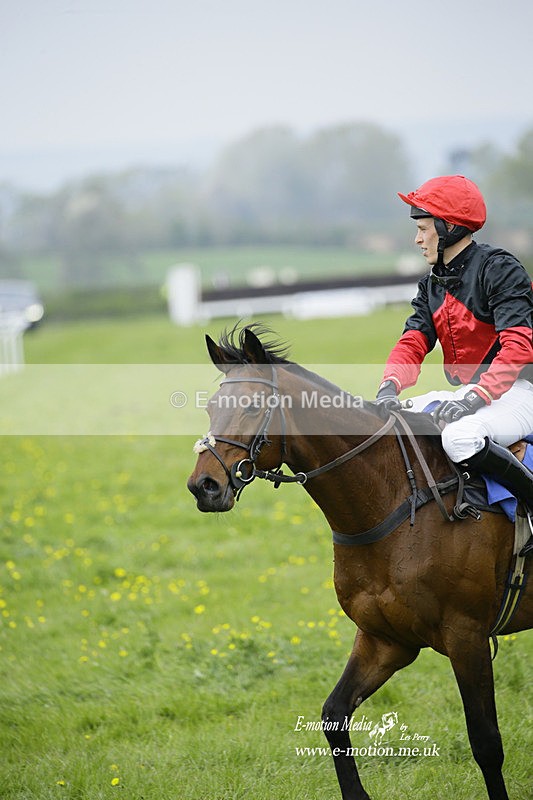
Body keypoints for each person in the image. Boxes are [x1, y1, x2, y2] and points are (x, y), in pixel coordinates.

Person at [376, 174, 533, 555]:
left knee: (459, 437)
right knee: (395, 422)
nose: (417, 239)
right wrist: (389, 387)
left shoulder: (498, 269)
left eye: (423, 229)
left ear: (448, 228)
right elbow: (413, 340)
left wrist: (476, 397)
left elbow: (519, 345)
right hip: (476, 394)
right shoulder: (432, 283)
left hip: (519, 392)